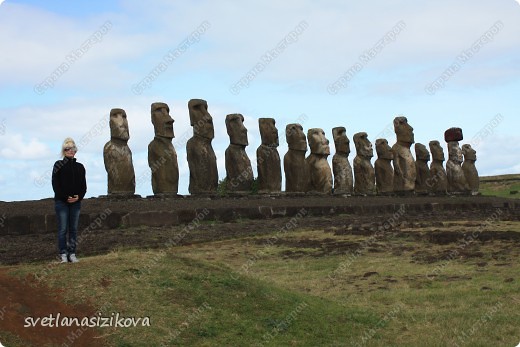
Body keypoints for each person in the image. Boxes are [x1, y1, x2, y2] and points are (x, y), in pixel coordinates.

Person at [51, 138, 87, 263]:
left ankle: (72, 253)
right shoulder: (58, 165)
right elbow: (56, 185)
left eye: (72, 148)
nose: (70, 151)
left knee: (73, 229)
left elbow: (83, 186)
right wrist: (66, 197)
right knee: (62, 229)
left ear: (75, 150)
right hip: (61, 202)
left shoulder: (80, 167)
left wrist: (78, 197)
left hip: (76, 203)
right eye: (67, 149)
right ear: (63, 151)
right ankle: (63, 254)